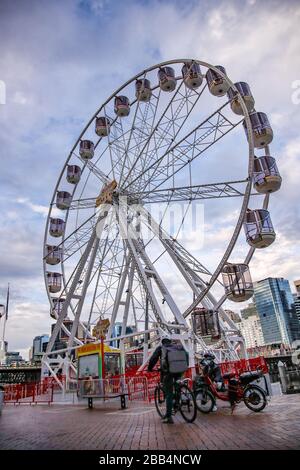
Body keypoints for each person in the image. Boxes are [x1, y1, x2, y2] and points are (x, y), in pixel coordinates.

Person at [148, 337, 189, 424]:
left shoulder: (161, 348)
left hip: (168, 372)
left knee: (169, 393)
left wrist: (150, 368)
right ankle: (177, 402)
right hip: (180, 371)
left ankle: (169, 417)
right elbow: (187, 354)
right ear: (170, 342)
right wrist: (185, 366)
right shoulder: (177, 347)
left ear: (162, 343)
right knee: (177, 386)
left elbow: (153, 359)